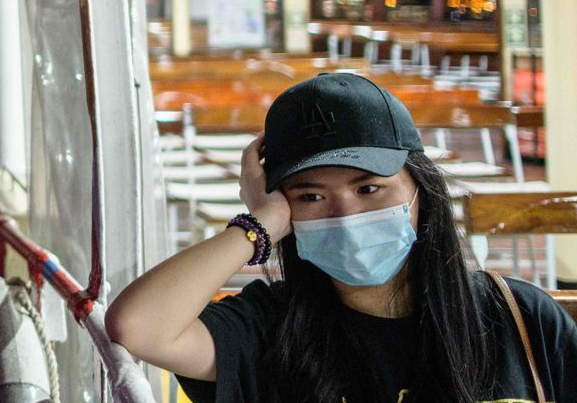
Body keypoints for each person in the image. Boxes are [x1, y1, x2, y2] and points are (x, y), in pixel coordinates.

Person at [105, 71, 577, 402]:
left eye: (368, 188)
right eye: (310, 197)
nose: (345, 214)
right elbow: (139, 327)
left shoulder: (518, 318)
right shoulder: (268, 329)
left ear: (422, 191)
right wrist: (257, 225)